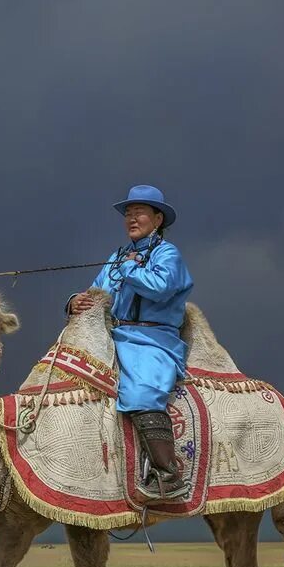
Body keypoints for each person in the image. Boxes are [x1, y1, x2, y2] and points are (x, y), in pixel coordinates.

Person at [69, 184, 193, 500]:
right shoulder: (119, 255)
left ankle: (167, 477)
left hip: (152, 339)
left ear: (158, 218)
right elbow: (98, 291)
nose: (131, 218)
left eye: (138, 211)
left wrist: (127, 268)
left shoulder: (168, 254)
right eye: (127, 212)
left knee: (141, 391)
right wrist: (77, 301)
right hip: (114, 335)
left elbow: (161, 288)